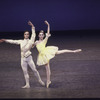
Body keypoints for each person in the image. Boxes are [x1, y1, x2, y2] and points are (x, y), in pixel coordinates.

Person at [32, 20, 82, 88]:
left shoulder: (44, 40)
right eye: (40, 35)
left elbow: (48, 32)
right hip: (42, 56)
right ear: (38, 35)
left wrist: (48, 25)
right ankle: (48, 81)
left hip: (47, 52)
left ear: (43, 36)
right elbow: (32, 46)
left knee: (60, 52)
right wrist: (31, 45)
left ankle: (73, 51)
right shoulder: (36, 42)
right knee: (47, 69)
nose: (41, 36)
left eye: (42, 35)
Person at [0, 21, 45, 88]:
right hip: (23, 59)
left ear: (28, 35)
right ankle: (27, 84)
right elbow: (13, 41)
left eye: (27, 34)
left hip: (29, 58)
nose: (26, 35)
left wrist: (32, 25)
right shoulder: (21, 41)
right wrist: (5, 40)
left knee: (34, 70)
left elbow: (33, 33)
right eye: (25, 34)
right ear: (24, 35)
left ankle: (40, 80)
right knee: (25, 72)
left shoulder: (31, 41)